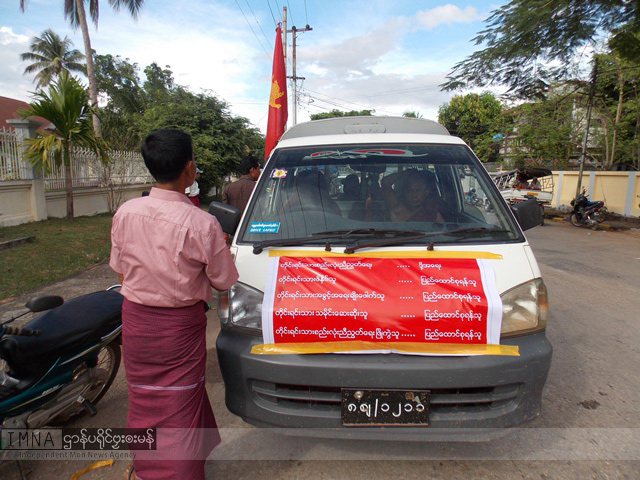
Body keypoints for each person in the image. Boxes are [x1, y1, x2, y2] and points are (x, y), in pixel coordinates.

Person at [109, 129, 239, 480]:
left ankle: (147, 466)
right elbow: (223, 280)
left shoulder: (126, 212)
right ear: (190, 168)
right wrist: (221, 248)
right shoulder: (203, 223)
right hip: (178, 329)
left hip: (136, 322)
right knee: (180, 404)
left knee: (144, 398)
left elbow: (120, 268)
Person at [382, 169, 448, 222]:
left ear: (426, 192)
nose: (414, 195)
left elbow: (443, 230)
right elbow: (385, 182)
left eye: (417, 190)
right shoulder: (397, 209)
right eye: (409, 191)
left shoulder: (432, 211)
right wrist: (406, 172)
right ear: (404, 193)